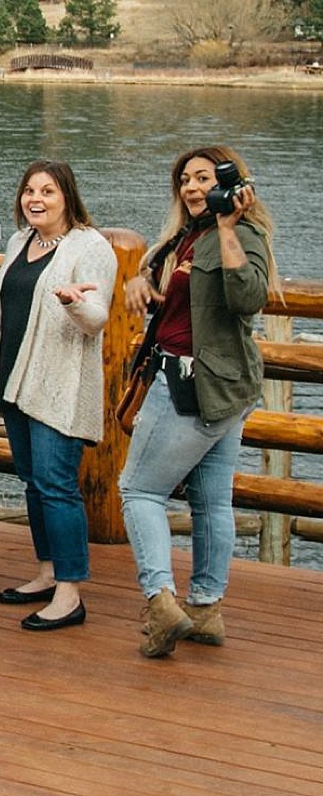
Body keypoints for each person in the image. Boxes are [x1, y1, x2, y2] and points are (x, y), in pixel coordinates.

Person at [121, 141, 272, 658]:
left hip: (193, 385)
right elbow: (163, 279)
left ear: (229, 185)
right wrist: (140, 281)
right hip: (222, 390)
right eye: (185, 179)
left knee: (139, 491)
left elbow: (248, 297)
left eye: (204, 178)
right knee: (211, 502)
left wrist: (229, 228)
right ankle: (206, 608)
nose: (191, 187)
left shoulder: (239, 234)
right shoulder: (185, 237)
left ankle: (160, 603)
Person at [0, 159, 117, 633]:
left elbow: (98, 318)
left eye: (48, 192)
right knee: (34, 482)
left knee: (57, 486)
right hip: (16, 380)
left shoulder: (90, 247)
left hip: (59, 386)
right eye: (29, 191)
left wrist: (75, 302)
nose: (35, 199)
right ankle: (47, 572)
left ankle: (70, 593)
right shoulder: (20, 242)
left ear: (67, 198)